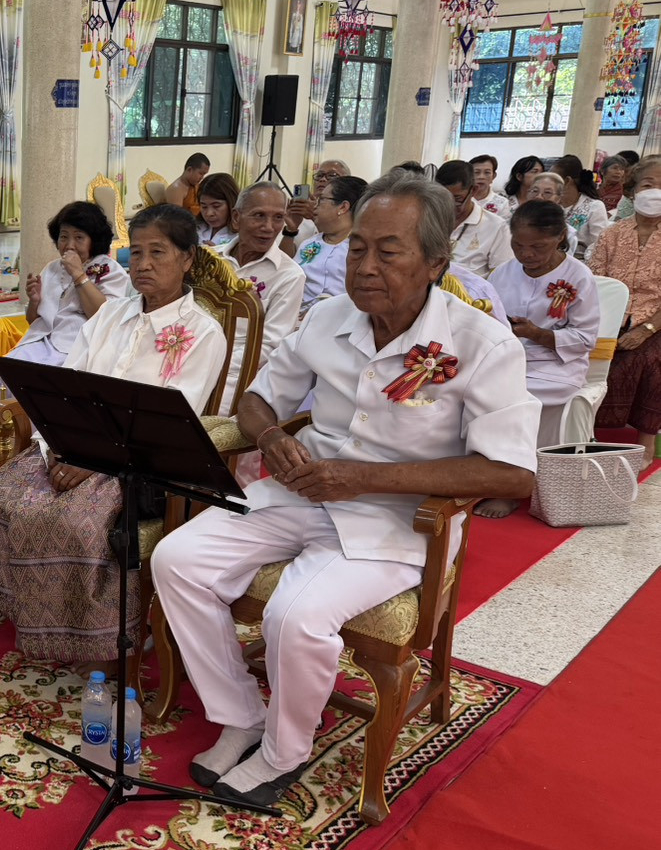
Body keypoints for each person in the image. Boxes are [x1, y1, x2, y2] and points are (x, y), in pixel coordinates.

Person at [151, 169, 538, 807]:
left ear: (435, 263)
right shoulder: (328, 317)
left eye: (389, 251)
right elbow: (258, 399)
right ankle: (241, 714)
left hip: (398, 517)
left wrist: (363, 478)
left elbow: (512, 473)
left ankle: (284, 752)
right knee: (177, 560)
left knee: (295, 615)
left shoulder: (482, 344)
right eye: (358, 248)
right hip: (302, 490)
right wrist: (271, 438)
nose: (365, 266)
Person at [0, 205, 227, 664]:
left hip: (139, 464)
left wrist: (93, 461)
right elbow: (66, 387)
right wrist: (56, 446)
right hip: (73, 446)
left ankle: (100, 640)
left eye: (158, 253)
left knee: (73, 523)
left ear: (188, 258)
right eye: (137, 252)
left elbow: (169, 423)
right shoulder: (110, 315)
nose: (143, 264)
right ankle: (30, 615)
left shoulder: (202, 332)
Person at [476, 200, 600, 517]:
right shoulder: (502, 273)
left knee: (514, 398)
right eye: (518, 245)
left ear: (560, 238)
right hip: (507, 359)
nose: (526, 254)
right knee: (469, 391)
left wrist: (537, 334)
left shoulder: (578, 277)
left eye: (537, 247)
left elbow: (586, 338)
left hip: (556, 367)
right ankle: (478, 476)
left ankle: (512, 486)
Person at [0, 200, 131, 380]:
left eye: (79, 238)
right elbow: (33, 321)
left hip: (78, 347)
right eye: (63, 237)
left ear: (94, 240)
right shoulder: (52, 268)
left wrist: (78, 274)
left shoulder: (110, 270)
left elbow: (106, 318)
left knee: (42, 378)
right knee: (4, 371)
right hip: (41, 341)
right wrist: (34, 301)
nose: (69, 245)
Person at [588, 155, 661, 461]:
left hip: (654, 323)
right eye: (648, 184)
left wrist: (646, 329)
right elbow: (594, 282)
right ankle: (587, 432)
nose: (655, 192)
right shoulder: (612, 234)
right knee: (590, 354)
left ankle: (646, 441)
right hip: (608, 319)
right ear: (632, 190)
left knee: (649, 360)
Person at [221, 184, 306, 417]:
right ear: (236, 217)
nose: (268, 227)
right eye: (259, 215)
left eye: (278, 218)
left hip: (240, 373)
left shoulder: (289, 275)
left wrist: (213, 362)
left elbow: (268, 345)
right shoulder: (211, 259)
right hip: (188, 358)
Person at [296, 174, 366, 315]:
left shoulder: (362, 249)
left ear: (343, 207)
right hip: (300, 319)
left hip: (343, 318)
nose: (315, 206)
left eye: (321, 200)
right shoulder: (308, 244)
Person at [436, 159, 512, 278]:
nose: (449, 205)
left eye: (457, 199)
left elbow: (502, 275)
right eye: (442, 198)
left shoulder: (497, 227)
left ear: (473, 190)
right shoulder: (428, 218)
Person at [551, 154, 611, 260]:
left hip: (581, 262)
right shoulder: (551, 205)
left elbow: (600, 246)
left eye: (553, 179)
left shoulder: (594, 207)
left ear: (567, 180)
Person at [283, 159, 350, 247]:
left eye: (332, 175)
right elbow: (285, 255)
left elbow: (337, 250)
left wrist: (316, 217)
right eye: (319, 175)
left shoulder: (349, 214)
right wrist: (290, 230)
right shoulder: (302, 211)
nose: (322, 179)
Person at [196, 172, 239, 247]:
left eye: (216, 206)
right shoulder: (196, 228)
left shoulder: (241, 235)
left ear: (231, 203)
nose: (209, 213)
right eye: (204, 207)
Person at [470, 154, 510, 219]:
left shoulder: (502, 203)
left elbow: (504, 224)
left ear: (493, 176)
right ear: (469, 175)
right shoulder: (461, 199)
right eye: (476, 172)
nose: (481, 177)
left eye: (487, 172)